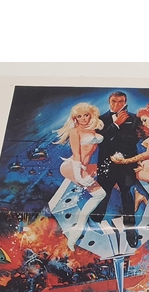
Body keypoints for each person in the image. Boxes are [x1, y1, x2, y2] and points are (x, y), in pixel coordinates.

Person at [54, 102, 105, 251]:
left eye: (86, 115)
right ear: (75, 118)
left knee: (108, 171)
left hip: (84, 167)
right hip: (72, 166)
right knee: (100, 194)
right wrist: (79, 176)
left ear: (91, 115)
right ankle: (75, 235)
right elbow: (77, 155)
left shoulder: (93, 129)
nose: (83, 119)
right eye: (79, 116)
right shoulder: (75, 131)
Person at [91, 91, 141, 227]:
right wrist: (116, 125)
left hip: (127, 165)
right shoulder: (100, 120)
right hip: (106, 165)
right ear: (109, 102)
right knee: (103, 194)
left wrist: (112, 137)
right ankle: (95, 222)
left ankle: (130, 226)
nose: (117, 104)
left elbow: (133, 140)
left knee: (128, 194)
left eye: (120, 101)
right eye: (114, 101)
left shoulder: (134, 118)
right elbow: (101, 141)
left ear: (125, 103)